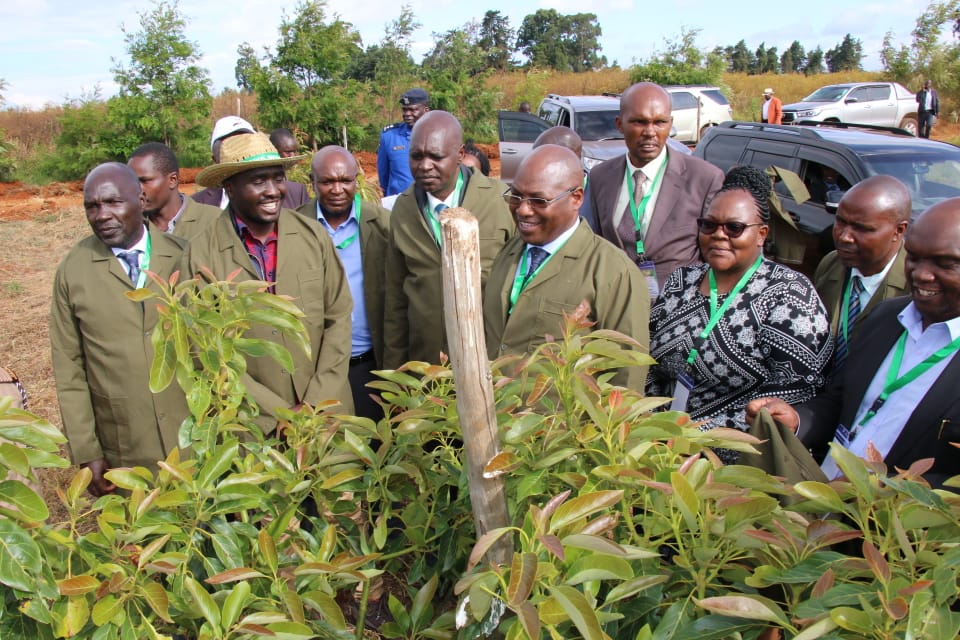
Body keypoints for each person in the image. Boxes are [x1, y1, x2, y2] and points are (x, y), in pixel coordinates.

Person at [747, 198, 960, 487]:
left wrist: (882, 489)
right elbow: (842, 401)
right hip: (824, 504)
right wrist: (798, 420)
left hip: (896, 526)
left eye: (946, 264)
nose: (921, 274)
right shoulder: (886, 318)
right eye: (914, 258)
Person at [647, 166, 832, 463]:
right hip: (659, 449)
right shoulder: (681, 281)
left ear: (761, 234)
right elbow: (650, 361)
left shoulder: (789, 294)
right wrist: (649, 424)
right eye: (709, 225)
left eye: (734, 228)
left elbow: (794, 394)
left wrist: (694, 439)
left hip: (737, 463)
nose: (719, 235)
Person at [187, 132, 354, 432]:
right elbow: (206, 347)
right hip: (253, 425)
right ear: (230, 186)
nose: (273, 191)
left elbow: (339, 317)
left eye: (277, 178)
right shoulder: (202, 253)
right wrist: (275, 413)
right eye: (258, 181)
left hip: (327, 415)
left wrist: (315, 402)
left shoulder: (312, 236)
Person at [50, 163, 189, 496]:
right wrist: (86, 452)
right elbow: (69, 369)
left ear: (140, 200)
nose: (101, 215)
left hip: (191, 441)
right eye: (92, 206)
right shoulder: (74, 270)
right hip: (125, 450)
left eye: (113, 203)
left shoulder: (184, 257)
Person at [484, 145, 650, 389]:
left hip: (559, 424)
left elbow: (626, 375)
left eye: (539, 201)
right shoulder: (508, 252)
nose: (523, 209)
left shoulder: (613, 273)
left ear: (576, 198)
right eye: (516, 195)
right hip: (492, 416)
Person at [383, 110, 514, 368]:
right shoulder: (404, 209)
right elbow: (396, 300)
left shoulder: (501, 201)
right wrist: (396, 378)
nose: (424, 166)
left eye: (436, 156)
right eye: (416, 156)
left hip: (489, 364)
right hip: (427, 367)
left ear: (460, 155)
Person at [587, 82, 724, 294]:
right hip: (615, 304)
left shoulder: (704, 179)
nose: (650, 132)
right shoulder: (600, 177)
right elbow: (593, 247)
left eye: (660, 122)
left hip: (678, 309)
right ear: (620, 124)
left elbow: (717, 255)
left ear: (670, 124)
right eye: (639, 122)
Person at [297, 146, 390, 420]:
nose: (337, 189)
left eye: (345, 181)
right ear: (312, 183)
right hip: (314, 372)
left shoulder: (383, 224)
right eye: (327, 182)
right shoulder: (295, 225)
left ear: (356, 180)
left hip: (367, 364)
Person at [814, 176, 911, 371]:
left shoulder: (915, 285)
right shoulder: (832, 264)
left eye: (862, 228)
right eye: (840, 222)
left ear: (898, 231)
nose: (844, 236)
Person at [193, 117, 306, 210]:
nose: (272, 192)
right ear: (215, 160)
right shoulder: (198, 205)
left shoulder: (296, 194)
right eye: (230, 148)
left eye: (246, 144)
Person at [127, 142, 221, 239]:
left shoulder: (214, 221)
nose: (137, 189)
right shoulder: (129, 227)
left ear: (172, 180)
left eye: (144, 181)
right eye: (132, 181)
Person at [377, 88, 430, 197]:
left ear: (426, 110)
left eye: (412, 110)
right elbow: (384, 177)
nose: (407, 114)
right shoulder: (389, 137)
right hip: (397, 204)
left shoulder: (438, 135)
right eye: (404, 110)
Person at [266, 128, 310, 208]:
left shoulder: (298, 191)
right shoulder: (265, 190)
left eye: (294, 151)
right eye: (287, 152)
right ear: (274, 150)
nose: (292, 156)